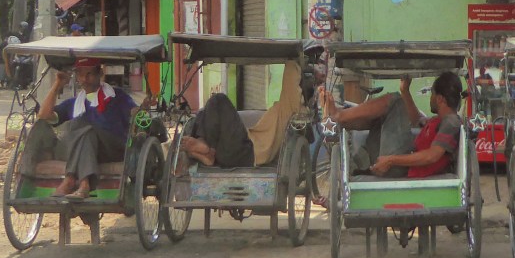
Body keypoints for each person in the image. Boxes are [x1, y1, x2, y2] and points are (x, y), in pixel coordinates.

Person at [318, 71, 464, 179]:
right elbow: (416, 120)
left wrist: (391, 160)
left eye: (432, 94)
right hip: (398, 162)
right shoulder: (437, 120)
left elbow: (432, 156)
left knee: (395, 100)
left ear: (440, 99)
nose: (430, 99)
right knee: (381, 116)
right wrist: (405, 91)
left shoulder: (451, 122)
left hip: (403, 167)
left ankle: (340, 116)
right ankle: (343, 124)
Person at [38, 58, 142, 199]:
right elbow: (43, 115)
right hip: (84, 149)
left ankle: (70, 179)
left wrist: (141, 110)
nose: (84, 79)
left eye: (89, 74)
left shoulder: (117, 96)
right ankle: (84, 184)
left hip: (111, 149)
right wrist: (57, 85)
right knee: (85, 131)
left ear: (100, 74)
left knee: (82, 125)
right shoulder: (73, 103)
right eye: (80, 75)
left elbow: (135, 113)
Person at [179, 62, 304, 168]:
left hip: (247, 152)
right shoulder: (283, 107)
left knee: (219, 99)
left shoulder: (289, 107)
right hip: (229, 153)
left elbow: (291, 75)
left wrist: (294, 59)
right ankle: (205, 152)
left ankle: (204, 145)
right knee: (203, 112)